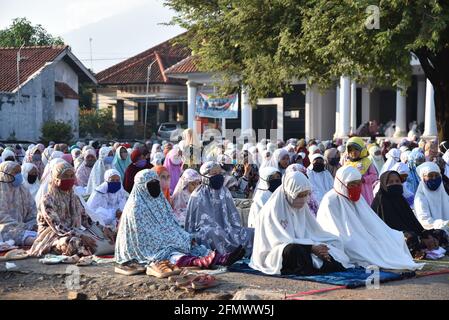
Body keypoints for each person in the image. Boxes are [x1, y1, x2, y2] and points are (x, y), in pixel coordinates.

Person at [114, 169, 245, 275]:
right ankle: (208, 261)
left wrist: (183, 236)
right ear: (141, 187)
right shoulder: (136, 206)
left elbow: (172, 223)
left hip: (165, 239)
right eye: (150, 183)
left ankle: (221, 258)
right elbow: (144, 237)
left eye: (156, 182)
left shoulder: (160, 200)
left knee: (193, 246)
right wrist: (170, 240)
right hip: (147, 248)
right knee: (173, 255)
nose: (154, 186)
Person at [316, 166, 424, 270]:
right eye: (352, 185)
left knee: (392, 239)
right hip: (344, 239)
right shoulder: (331, 200)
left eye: (358, 184)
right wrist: (358, 238)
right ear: (341, 183)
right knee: (355, 246)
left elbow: (371, 222)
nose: (356, 188)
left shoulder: (358, 198)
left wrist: (379, 235)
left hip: (363, 235)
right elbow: (333, 230)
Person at [249, 171, 353, 275]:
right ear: (289, 192)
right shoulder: (272, 211)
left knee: (335, 242)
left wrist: (318, 247)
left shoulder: (302, 207)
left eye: (305, 195)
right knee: (293, 251)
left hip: (306, 246)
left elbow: (312, 232)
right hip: (275, 253)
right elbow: (279, 241)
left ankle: (320, 263)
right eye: (299, 195)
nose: (303, 199)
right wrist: (311, 248)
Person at [29, 161, 115, 257]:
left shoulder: (74, 198)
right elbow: (58, 227)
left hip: (75, 232)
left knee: (110, 233)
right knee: (75, 243)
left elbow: (86, 220)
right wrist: (81, 235)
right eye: (65, 176)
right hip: (53, 236)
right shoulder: (47, 200)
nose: (69, 179)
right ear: (56, 178)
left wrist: (103, 229)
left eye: (71, 176)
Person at [185, 161, 254, 255]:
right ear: (205, 176)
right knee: (212, 232)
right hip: (209, 233)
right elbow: (195, 226)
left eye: (219, 173)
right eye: (214, 174)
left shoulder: (225, 191)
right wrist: (217, 228)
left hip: (228, 229)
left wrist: (230, 228)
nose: (218, 176)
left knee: (251, 232)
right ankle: (221, 258)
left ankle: (241, 254)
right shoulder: (197, 195)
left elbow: (234, 218)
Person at [0, 161, 37, 246]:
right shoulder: (1, 191)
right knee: (10, 233)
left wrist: (32, 224)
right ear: (5, 174)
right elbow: (2, 217)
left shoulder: (22, 189)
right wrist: (21, 227)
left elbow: (32, 210)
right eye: (15, 172)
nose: (18, 175)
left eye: (19, 172)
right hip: (5, 228)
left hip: (24, 227)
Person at [414, 162, 449, 232]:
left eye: (436, 175)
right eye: (430, 176)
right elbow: (425, 221)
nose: (434, 178)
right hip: (435, 236)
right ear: (423, 178)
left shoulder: (443, 191)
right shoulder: (420, 197)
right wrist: (445, 224)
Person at [344, 137, 378, 205]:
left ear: (362, 150)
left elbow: (374, 175)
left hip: (365, 193)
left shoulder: (367, 162)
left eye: (356, 149)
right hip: (352, 192)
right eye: (350, 150)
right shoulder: (347, 163)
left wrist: (364, 179)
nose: (353, 152)